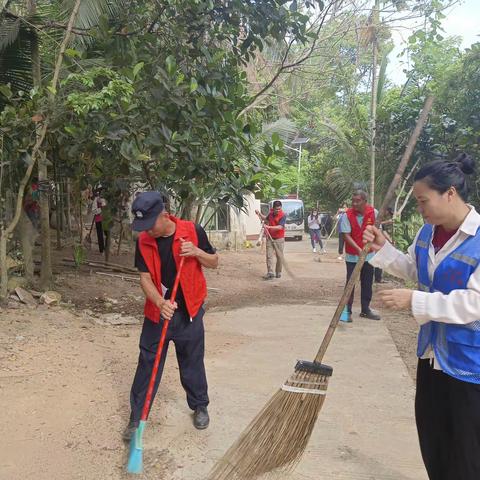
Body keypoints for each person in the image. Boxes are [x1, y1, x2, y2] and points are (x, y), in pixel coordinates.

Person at [364, 154, 480, 480]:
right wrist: (382, 250)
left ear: (450, 194)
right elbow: (414, 270)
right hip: (431, 359)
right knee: (435, 446)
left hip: (469, 368)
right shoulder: (428, 234)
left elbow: (474, 304)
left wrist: (415, 300)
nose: (420, 209)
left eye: (423, 201)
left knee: (466, 454)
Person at [123, 192, 219, 441]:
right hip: (158, 311)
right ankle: (137, 418)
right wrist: (159, 302)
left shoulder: (192, 230)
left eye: (150, 224)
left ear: (165, 215)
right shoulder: (144, 241)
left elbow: (214, 262)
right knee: (148, 362)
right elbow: (145, 278)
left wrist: (197, 252)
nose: (146, 231)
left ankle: (200, 405)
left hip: (190, 311)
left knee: (192, 361)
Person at [339, 190, 381, 322]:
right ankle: (346, 311)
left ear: (365, 201)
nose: (354, 203)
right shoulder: (347, 215)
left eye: (358, 201)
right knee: (350, 284)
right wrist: (358, 250)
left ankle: (365, 309)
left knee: (367, 283)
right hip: (352, 256)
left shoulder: (374, 213)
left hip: (369, 256)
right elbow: (346, 235)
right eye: (353, 201)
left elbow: (377, 232)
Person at [255, 200, 286, 279]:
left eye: (279, 209)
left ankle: (278, 272)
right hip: (270, 237)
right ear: (273, 208)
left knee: (279, 256)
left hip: (279, 239)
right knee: (269, 256)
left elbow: (280, 227)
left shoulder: (283, 215)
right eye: (276, 209)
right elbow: (266, 219)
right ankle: (270, 272)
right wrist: (259, 213)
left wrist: (269, 227)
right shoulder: (271, 214)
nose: (278, 211)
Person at [91, 188, 107, 253]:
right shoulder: (96, 200)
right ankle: (101, 250)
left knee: (107, 234)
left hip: (106, 220)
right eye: (101, 192)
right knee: (100, 235)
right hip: (99, 220)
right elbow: (93, 211)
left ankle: (106, 248)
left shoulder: (106, 200)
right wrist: (101, 209)